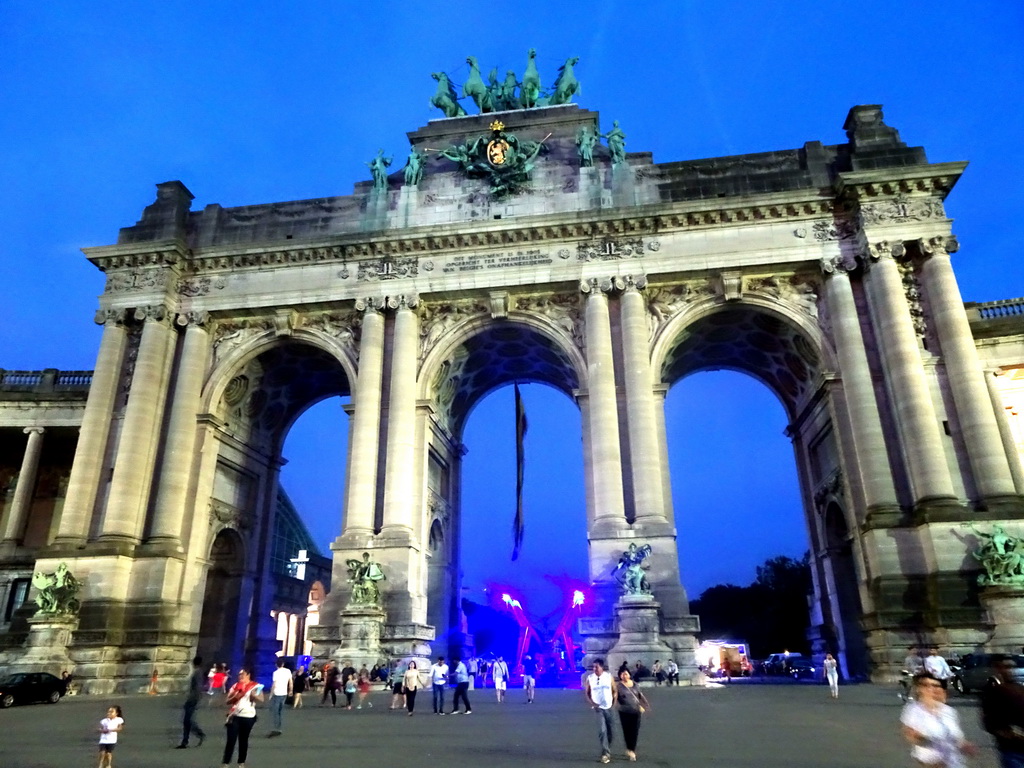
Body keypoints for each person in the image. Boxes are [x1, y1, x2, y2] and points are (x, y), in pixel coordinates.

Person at [901, 672, 975, 768]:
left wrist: (965, 745)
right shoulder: (913, 710)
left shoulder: (948, 711)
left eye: (936, 685)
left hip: (955, 763)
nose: (931, 689)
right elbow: (911, 735)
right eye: (926, 685)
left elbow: (957, 737)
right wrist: (922, 738)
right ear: (919, 689)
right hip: (931, 763)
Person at [981, 654, 1024, 768]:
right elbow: (989, 722)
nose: (1009, 670)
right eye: (1005, 667)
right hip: (1012, 750)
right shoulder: (991, 692)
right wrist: (1013, 735)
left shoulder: (1019, 688)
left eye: (1011, 667)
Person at [223, 667, 263, 768]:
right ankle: (226, 763)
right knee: (231, 740)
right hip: (235, 716)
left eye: (242, 674)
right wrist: (235, 697)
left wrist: (255, 696)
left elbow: (261, 699)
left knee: (243, 740)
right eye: (239, 674)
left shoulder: (255, 686)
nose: (240, 676)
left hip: (249, 716)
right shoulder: (235, 686)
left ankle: (241, 762)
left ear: (248, 675)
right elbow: (227, 701)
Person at [585, 658, 617, 764]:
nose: (594, 669)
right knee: (602, 731)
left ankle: (607, 747)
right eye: (593, 667)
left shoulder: (608, 677)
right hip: (598, 709)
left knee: (611, 732)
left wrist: (614, 703)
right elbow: (587, 693)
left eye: (596, 667)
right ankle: (605, 753)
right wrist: (593, 704)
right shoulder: (590, 678)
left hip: (609, 707)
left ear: (602, 667)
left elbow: (615, 690)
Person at [616, 668, 650, 762]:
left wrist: (646, 705)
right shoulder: (618, 686)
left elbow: (640, 696)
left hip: (636, 711)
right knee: (626, 731)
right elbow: (615, 697)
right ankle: (629, 748)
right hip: (624, 711)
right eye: (622, 674)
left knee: (634, 731)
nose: (624, 676)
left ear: (629, 674)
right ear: (620, 676)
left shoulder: (635, 684)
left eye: (626, 674)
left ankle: (632, 750)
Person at [176, 656, 207, 748]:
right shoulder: (199, 672)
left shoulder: (197, 673)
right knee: (187, 720)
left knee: (187, 720)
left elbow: (197, 688)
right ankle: (186, 740)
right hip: (194, 698)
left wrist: (191, 699)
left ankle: (197, 734)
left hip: (193, 699)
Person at [268, 658, 292, 736]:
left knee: (276, 711)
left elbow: (274, 684)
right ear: (283, 664)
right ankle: (280, 727)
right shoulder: (288, 671)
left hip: (277, 693)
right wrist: (290, 690)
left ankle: (277, 727)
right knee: (281, 710)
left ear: (276, 665)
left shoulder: (276, 673)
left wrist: (271, 694)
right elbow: (290, 682)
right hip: (284, 693)